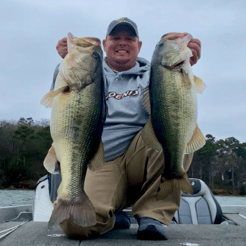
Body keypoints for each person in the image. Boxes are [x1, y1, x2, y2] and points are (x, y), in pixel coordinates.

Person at [53, 17, 201, 240]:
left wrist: (186, 58)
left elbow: (177, 97)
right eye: (115, 37)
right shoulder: (87, 72)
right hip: (101, 160)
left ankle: (153, 214)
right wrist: (67, 59)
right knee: (74, 224)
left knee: (177, 128)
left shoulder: (156, 73)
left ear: (139, 46)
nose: (122, 42)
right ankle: (113, 214)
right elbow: (64, 111)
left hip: (143, 157)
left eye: (129, 38)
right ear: (104, 44)